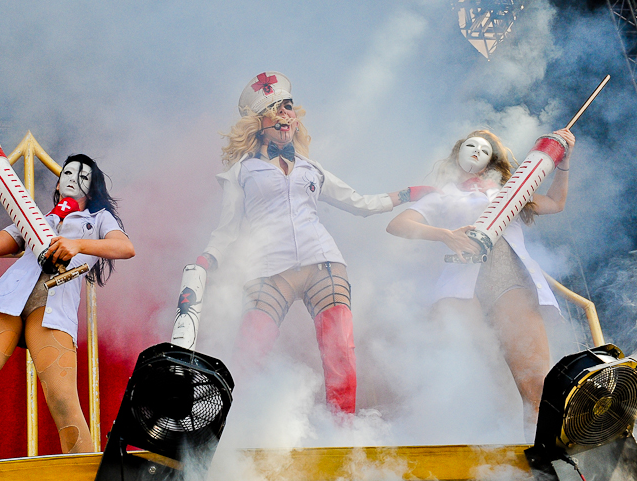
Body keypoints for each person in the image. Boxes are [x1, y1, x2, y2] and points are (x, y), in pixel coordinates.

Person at [195, 71, 435, 414]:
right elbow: (227, 229)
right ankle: (236, 433)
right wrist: (208, 259)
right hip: (268, 268)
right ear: (258, 124)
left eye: (288, 109)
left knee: (340, 350)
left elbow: (360, 203)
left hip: (322, 261)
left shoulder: (312, 169)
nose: (284, 118)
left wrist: (407, 194)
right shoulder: (241, 173)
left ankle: (341, 432)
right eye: (274, 112)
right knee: (249, 352)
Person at [386, 128, 575, 432]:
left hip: (510, 282)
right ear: (457, 154)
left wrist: (563, 162)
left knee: (537, 387)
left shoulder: (510, 194)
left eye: (484, 149)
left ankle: (542, 465)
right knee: (470, 384)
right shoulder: (443, 196)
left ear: (491, 162)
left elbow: (555, 202)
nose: (476, 151)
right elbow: (399, 224)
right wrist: (445, 236)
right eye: (469, 146)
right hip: (463, 291)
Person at [0, 154, 135, 464]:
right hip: (6, 301)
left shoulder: (98, 218)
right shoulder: (36, 220)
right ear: (59, 181)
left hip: (51, 307)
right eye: (68, 172)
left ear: (92, 189)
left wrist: (78, 245)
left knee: (64, 402)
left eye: (84, 175)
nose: (74, 177)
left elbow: (125, 248)